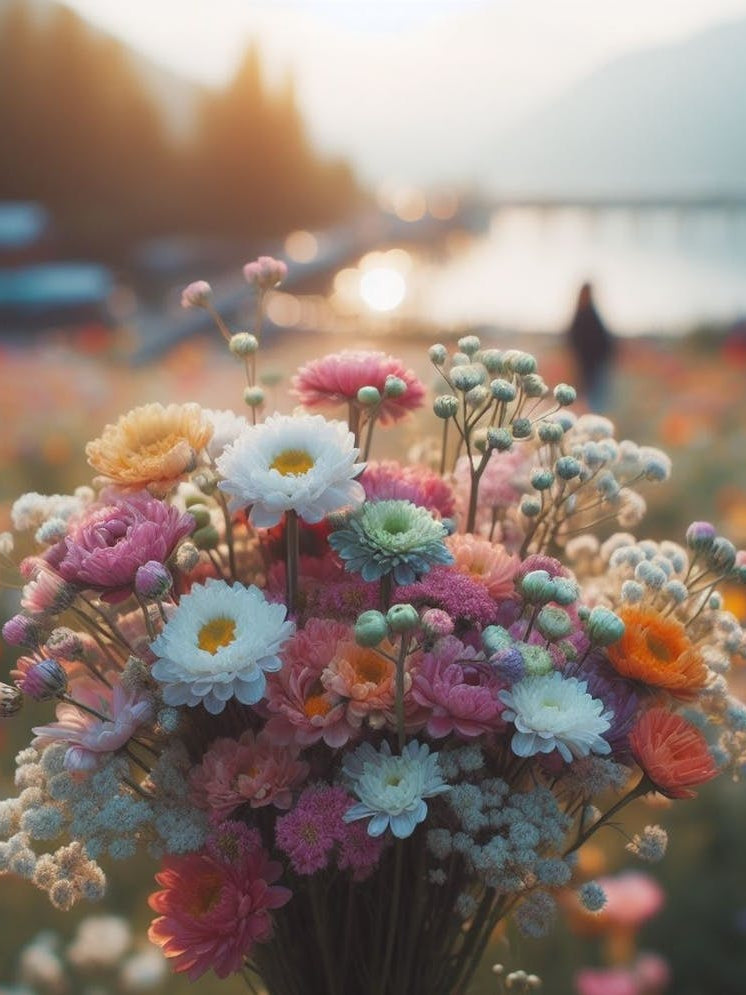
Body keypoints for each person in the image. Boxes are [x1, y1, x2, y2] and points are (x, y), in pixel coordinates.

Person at [565, 282, 616, 412]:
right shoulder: (585, 314)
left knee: (593, 399)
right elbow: (575, 341)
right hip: (589, 365)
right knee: (592, 400)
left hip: (595, 364)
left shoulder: (588, 313)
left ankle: (590, 424)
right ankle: (588, 426)